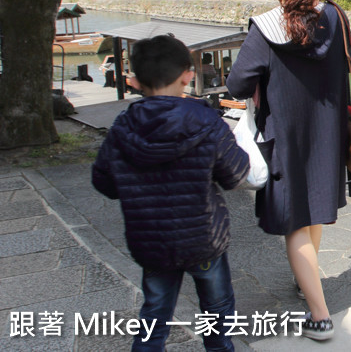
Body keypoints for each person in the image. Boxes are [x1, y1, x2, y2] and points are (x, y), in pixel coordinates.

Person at [227, 0, 351, 341]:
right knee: (313, 211)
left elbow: (237, 84)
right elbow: (350, 61)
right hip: (329, 131)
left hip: (285, 138)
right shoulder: (335, 16)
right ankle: (308, 279)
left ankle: (320, 316)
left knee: (296, 223)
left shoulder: (265, 28)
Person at [92, 35, 249, 351]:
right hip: (203, 239)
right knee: (217, 316)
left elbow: (104, 183)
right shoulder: (207, 121)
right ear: (188, 75)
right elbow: (235, 175)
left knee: (155, 315)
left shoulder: (123, 127)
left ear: (134, 81)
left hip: (151, 241)